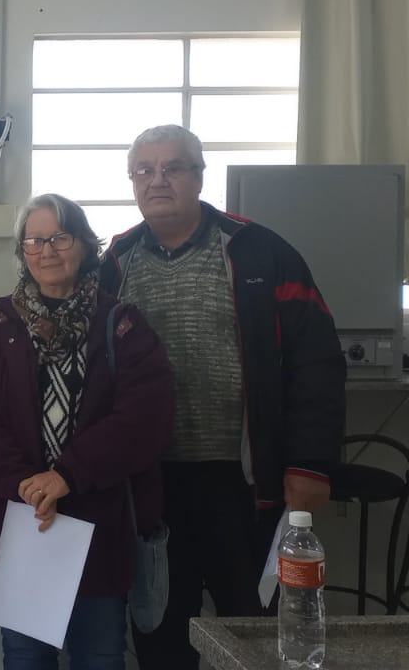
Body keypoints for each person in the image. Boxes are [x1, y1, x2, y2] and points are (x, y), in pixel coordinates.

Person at [104, 125, 346, 670]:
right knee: (161, 629)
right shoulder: (117, 260)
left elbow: (316, 361)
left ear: (198, 176)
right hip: (152, 484)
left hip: (244, 484)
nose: (158, 180)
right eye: (144, 170)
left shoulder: (259, 252)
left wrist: (310, 463)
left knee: (253, 626)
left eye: (173, 167)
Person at [0, 194, 174, 670]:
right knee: (26, 656)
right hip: (25, 520)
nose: (47, 250)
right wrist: (27, 484)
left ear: (85, 245)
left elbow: (143, 418)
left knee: (100, 654)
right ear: (22, 251)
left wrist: (66, 475)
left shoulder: (122, 325)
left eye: (59, 237)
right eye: (34, 240)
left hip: (99, 522)